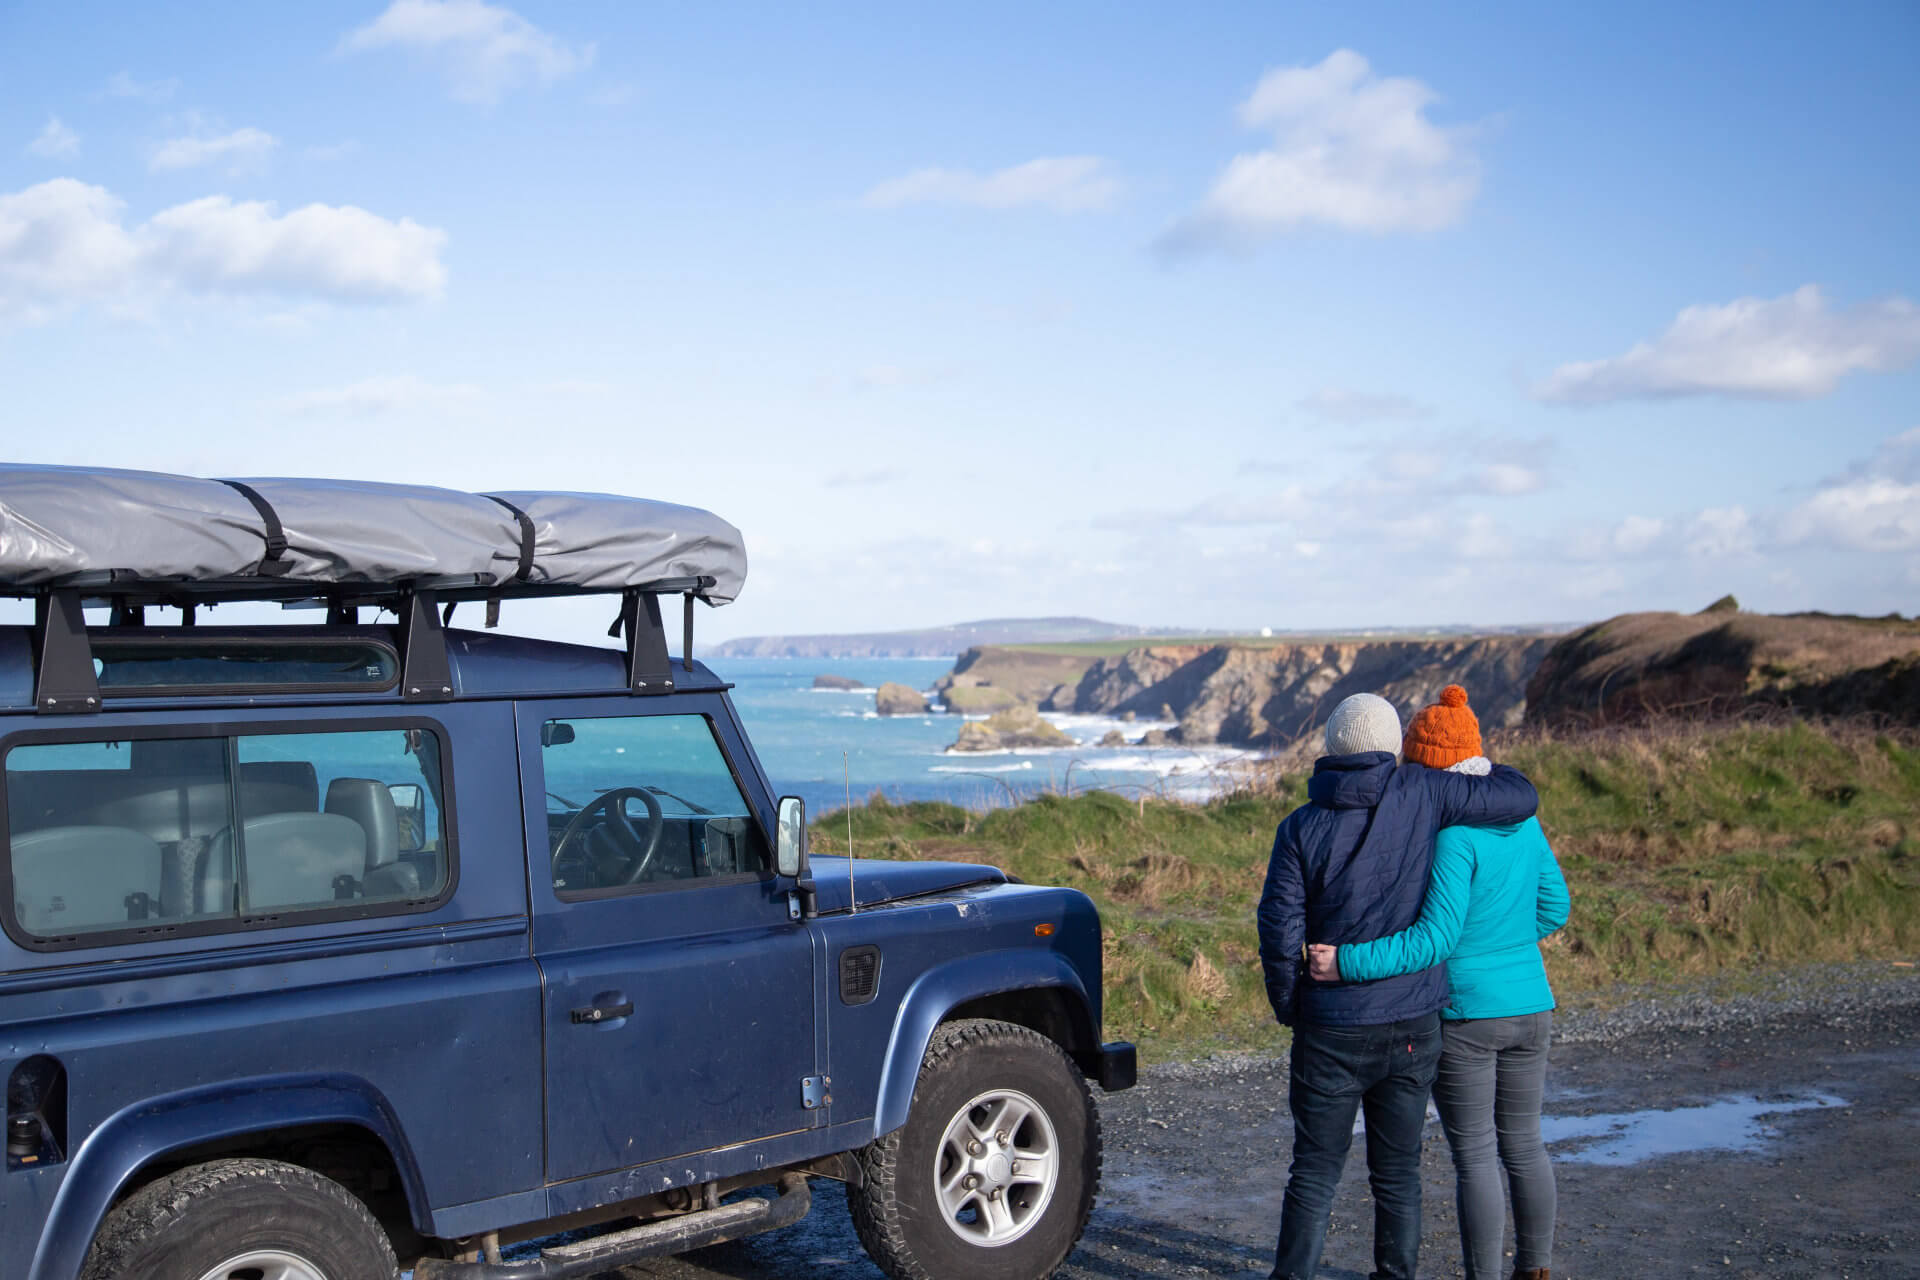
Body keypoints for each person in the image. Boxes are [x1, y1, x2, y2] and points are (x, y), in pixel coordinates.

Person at [1259, 690, 1541, 1280]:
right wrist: (1480, 760)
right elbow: (1520, 797)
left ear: (1331, 748)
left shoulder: (1299, 827)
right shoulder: (1425, 792)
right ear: (1392, 747)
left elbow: (1279, 932)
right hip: (1414, 1022)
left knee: (1313, 1173)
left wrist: (1294, 1008)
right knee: (1398, 1174)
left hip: (1331, 1025)